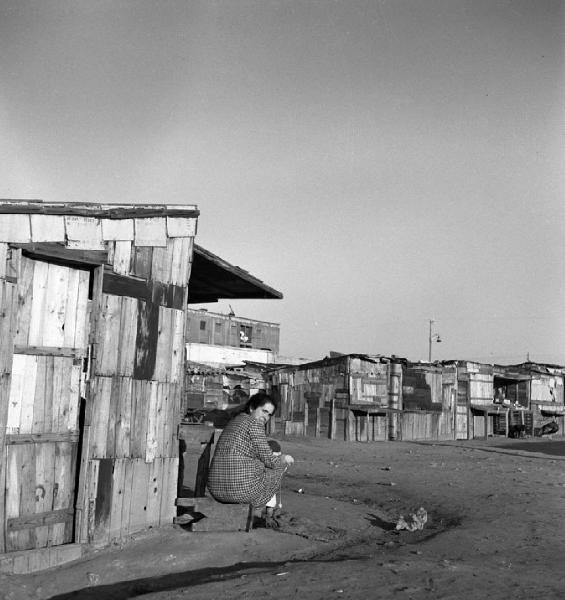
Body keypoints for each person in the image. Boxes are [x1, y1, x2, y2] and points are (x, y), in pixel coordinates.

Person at [207, 392, 294, 516]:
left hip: (215, 489)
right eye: (264, 411)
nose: (266, 417)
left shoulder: (234, 421)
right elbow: (271, 460)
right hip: (241, 492)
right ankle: (258, 510)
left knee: (259, 464)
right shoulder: (255, 424)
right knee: (278, 467)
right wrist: (284, 458)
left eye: (269, 414)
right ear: (252, 408)